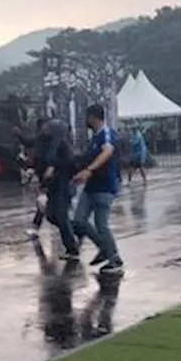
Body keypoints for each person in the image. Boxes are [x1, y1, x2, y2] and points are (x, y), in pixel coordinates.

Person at [71, 104, 124, 274]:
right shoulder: (94, 137)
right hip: (91, 186)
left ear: (93, 117)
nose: (86, 121)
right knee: (79, 220)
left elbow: (107, 152)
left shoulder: (105, 134)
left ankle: (114, 258)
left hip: (104, 186)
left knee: (101, 224)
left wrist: (89, 170)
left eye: (87, 117)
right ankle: (104, 247)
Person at [30, 117, 82, 259]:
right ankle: (78, 229)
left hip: (62, 184)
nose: (45, 129)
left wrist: (54, 166)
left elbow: (70, 162)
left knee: (61, 216)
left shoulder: (63, 144)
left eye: (48, 127)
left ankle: (72, 249)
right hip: (52, 185)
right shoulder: (47, 144)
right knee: (52, 216)